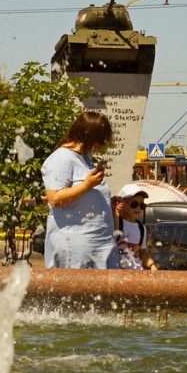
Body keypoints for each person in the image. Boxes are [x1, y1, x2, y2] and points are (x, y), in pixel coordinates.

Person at [40, 112, 119, 269]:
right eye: (100, 139)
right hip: (76, 246)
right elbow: (55, 198)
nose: (101, 144)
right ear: (88, 137)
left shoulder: (85, 158)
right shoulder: (61, 158)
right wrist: (86, 186)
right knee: (76, 293)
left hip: (100, 245)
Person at [113, 184, 157, 271]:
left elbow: (143, 253)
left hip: (136, 274)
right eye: (134, 204)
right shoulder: (116, 223)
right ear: (122, 203)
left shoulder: (141, 228)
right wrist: (115, 215)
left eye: (142, 205)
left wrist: (152, 265)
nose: (138, 208)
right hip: (119, 275)